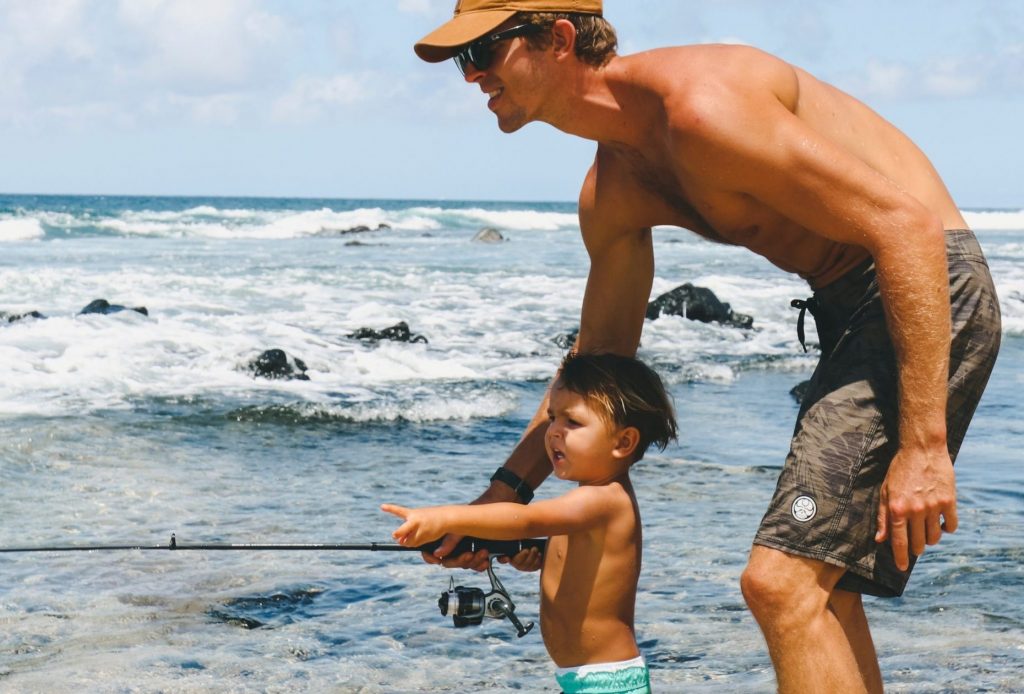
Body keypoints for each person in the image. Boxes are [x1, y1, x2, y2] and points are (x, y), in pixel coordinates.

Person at [412, 2, 1002, 692]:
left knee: (780, 581)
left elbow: (908, 228)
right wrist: (503, 499)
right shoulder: (613, 190)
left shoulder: (702, 107)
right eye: (463, 59)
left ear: (560, 38)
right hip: (854, 307)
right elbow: (599, 372)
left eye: (483, 52)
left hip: (921, 286)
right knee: (819, 585)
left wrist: (923, 449)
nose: (471, 75)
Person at [382, 352, 677, 694]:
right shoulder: (586, 504)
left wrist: (444, 516)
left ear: (623, 442)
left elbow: (523, 519)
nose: (554, 433)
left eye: (573, 422)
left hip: (607, 683)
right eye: (552, 418)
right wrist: (536, 561)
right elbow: (579, 572)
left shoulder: (605, 500)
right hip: (582, 679)